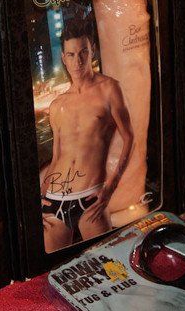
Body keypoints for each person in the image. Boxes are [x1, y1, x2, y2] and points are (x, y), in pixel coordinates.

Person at [41, 24, 134, 252]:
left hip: (90, 198)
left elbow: (129, 138)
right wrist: (41, 197)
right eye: (71, 55)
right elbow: (57, 157)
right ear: (63, 58)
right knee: (57, 267)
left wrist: (110, 187)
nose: (78, 61)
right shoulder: (57, 105)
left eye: (83, 52)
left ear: (92, 51)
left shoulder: (109, 89)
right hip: (53, 201)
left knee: (108, 263)